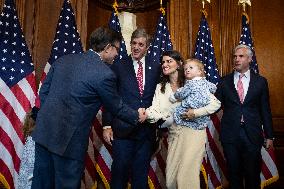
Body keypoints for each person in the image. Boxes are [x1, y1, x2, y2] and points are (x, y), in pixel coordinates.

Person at [31, 27, 145, 189]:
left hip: (44, 133)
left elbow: (44, 93)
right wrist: (136, 116)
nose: (117, 55)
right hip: (69, 142)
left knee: (41, 184)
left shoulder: (63, 60)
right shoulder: (104, 74)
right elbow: (116, 107)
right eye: (117, 50)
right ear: (107, 48)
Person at [144, 52, 221, 189]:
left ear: (179, 63)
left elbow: (215, 104)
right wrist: (144, 114)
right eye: (163, 62)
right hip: (174, 134)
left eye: (169, 61)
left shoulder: (193, 82)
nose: (165, 65)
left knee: (186, 176)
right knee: (171, 179)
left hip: (194, 132)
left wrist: (195, 113)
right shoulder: (160, 88)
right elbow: (155, 110)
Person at [102, 28, 161, 189]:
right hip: (122, 130)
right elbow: (110, 97)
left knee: (140, 175)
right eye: (133, 43)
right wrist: (107, 125)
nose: (136, 47)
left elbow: (160, 97)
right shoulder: (118, 66)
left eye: (140, 44)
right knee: (119, 174)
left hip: (146, 132)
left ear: (147, 47)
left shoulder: (156, 67)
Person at [215, 44, 274, 189]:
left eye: (241, 56)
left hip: (252, 135)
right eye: (235, 56)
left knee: (252, 174)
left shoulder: (260, 82)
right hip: (230, 134)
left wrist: (270, 136)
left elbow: (265, 109)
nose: (236, 59)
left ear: (250, 59)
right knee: (234, 174)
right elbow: (214, 105)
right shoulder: (224, 81)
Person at [17, 107, 39, 189]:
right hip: (31, 182)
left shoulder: (31, 138)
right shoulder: (33, 140)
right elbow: (32, 166)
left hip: (26, 182)